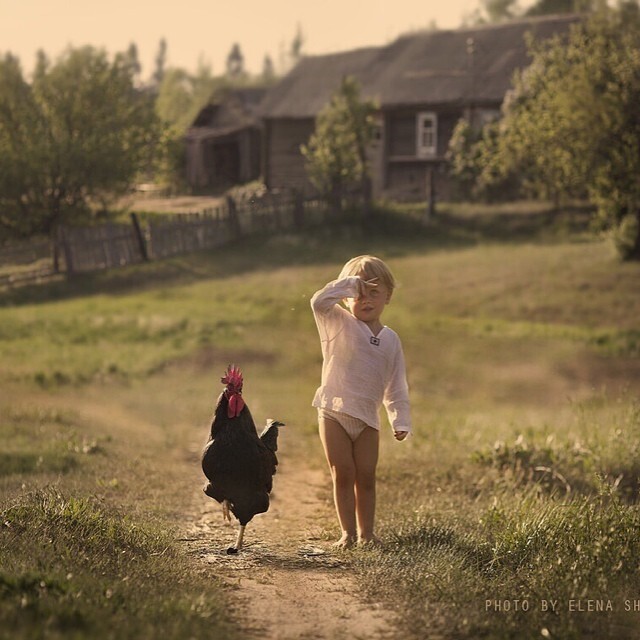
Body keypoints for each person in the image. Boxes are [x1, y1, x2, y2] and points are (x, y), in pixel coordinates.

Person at [310, 255, 411, 549]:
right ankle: (348, 534)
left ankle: (367, 534)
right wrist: (349, 284)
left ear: (388, 296)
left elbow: (397, 384)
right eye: (359, 294)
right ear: (347, 298)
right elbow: (318, 301)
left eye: (374, 293)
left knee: (366, 476)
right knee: (344, 473)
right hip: (334, 412)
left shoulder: (391, 340)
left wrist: (400, 419)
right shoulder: (337, 322)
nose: (366, 300)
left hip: (368, 418)